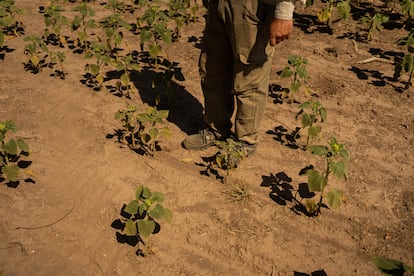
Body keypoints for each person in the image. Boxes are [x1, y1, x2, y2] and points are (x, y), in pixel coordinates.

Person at [183, 0, 300, 156]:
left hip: (253, 6)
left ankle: (245, 141)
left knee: (249, 76)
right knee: (213, 68)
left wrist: (285, 11)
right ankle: (216, 129)